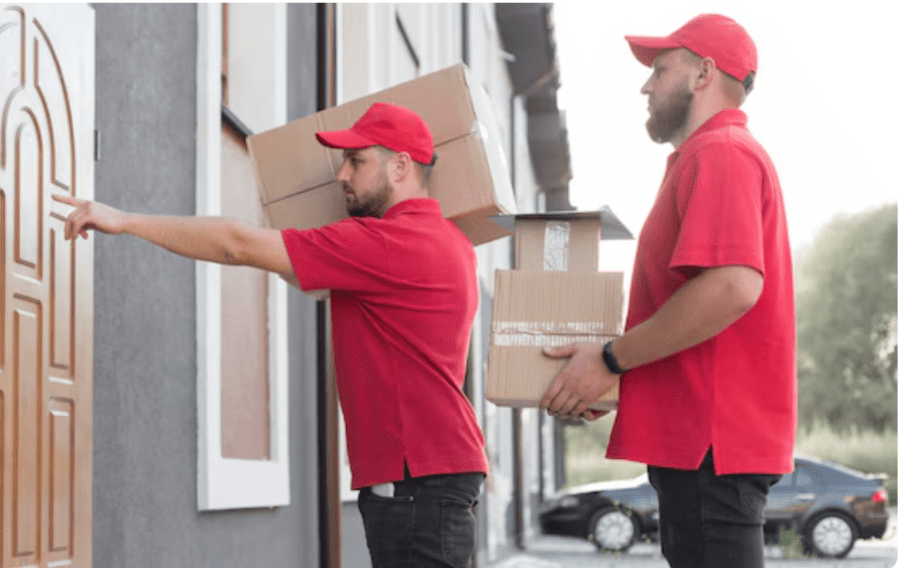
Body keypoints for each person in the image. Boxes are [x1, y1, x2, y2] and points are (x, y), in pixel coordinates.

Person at [54, 102, 488, 568]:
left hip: (415, 481)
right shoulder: (453, 243)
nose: (342, 174)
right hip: (433, 473)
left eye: (357, 161)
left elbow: (237, 244)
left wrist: (126, 220)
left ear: (400, 165)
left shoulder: (385, 244)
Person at [538, 14, 795, 568]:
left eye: (659, 69)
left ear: (703, 73)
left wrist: (610, 359)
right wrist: (611, 374)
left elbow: (732, 287)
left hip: (709, 446)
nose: (646, 85)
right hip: (700, 446)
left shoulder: (720, 152)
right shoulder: (705, 157)